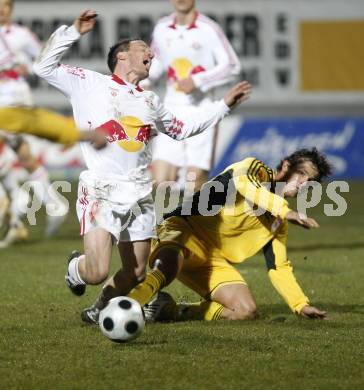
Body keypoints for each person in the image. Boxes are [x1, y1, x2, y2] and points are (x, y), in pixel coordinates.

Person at [33, 10, 252, 321]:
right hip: (101, 188)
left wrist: (223, 106)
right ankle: (75, 269)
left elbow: (181, 129)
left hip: (138, 193)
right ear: (122, 56)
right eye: (142, 48)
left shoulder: (150, 101)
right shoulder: (88, 83)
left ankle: (100, 309)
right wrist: (73, 31)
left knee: (136, 272)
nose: (151, 52)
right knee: (96, 271)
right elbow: (42, 66)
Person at [122, 148, 332, 323]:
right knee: (168, 264)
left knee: (245, 311)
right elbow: (243, 184)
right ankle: (128, 305)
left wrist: (300, 304)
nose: (304, 184)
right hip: (181, 229)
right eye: (303, 175)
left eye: (310, 182)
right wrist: (285, 211)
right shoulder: (254, 169)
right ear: (286, 166)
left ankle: (168, 310)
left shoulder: (278, 223)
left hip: (211, 260)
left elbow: (278, 267)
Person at [147, 0, 241, 193]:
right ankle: (165, 224)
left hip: (202, 109)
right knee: (160, 181)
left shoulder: (209, 29)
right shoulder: (162, 28)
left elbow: (231, 65)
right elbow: (155, 65)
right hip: (170, 109)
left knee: (195, 182)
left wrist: (198, 81)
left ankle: (196, 222)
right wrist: (140, 82)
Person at [0, 0, 69, 240]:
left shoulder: (21, 35)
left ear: (11, 9)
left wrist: (25, 67)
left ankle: (17, 208)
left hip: (15, 97)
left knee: (13, 151)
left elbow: (43, 61)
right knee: (24, 155)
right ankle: (48, 203)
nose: (1, 9)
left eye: (6, 5)